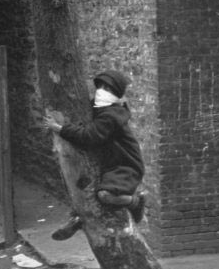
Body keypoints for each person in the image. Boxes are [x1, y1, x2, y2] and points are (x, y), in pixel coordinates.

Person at [43, 69, 146, 241]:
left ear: (115, 94)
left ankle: (135, 202)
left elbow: (89, 137)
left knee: (105, 195)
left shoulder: (111, 116)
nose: (102, 91)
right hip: (111, 162)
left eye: (108, 89)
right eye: (101, 86)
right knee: (84, 187)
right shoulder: (101, 108)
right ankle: (78, 219)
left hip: (126, 164)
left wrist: (60, 128)